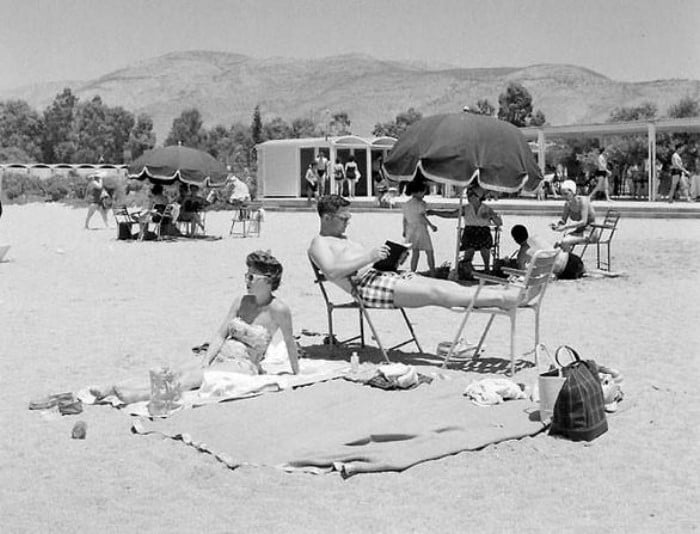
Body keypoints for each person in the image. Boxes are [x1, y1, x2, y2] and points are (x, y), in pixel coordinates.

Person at [90, 251, 300, 404]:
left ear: (268, 280)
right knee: (175, 370)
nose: (246, 280)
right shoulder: (241, 301)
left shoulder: (279, 310)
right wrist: (206, 360)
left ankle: (138, 395)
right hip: (221, 356)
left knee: (191, 379)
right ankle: (112, 386)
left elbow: (290, 342)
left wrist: (296, 373)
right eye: (246, 275)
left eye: (251, 277)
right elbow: (220, 334)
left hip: (243, 365)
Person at [308, 195, 518, 310]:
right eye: (343, 219)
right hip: (367, 289)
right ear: (326, 218)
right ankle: (502, 299)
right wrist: (369, 256)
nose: (347, 223)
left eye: (348, 218)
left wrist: (392, 258)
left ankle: (505, 294)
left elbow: (363, 263)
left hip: (382, 276)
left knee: (445, 285)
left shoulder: (343, 239)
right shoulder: (319, 244)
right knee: (437, 295)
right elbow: (332, 272)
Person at [430, 187, 502, 275]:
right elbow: (451, 214)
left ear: (477, 197)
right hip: (470, 232)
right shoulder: (465, 208)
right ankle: (467, 269)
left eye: (470, 195)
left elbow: (499, 223)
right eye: (468, 194)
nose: (468, 197)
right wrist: (435, 212)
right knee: (469, 249)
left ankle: (487, 268)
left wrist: (492, 216)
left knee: (485, 248)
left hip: (483, 232)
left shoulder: (487, 209)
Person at [510, 224, 584, 280]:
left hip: (566, 271)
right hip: (574, 259)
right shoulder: (537, 237)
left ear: (515, 239)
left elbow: (523, 273)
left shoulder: (522, 254)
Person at [402, 180, 437, 276]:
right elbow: (422, 217)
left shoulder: (406, 204)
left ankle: (413, 271)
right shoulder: (421, 203)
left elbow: (404, 219)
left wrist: (404, 230)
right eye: (423, 192)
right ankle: (433, 271)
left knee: (415, 252)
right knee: (429, 251)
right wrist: (431, 226)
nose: (424, 194)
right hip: (421, 229)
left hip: (410, 229)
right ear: (418, 191)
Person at [550, 179, 596, 252]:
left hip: (590, 232)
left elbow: (583, 222)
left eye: (566, 194)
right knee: (564, 241)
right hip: (578, 232)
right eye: (562, 194)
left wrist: (565, 227)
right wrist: (557, 225)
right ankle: (569, 259)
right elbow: (563, 221)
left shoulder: (583, 201)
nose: (564, 197)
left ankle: (570, 260)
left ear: (573, 192)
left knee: (564, 242)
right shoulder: (567, 204)